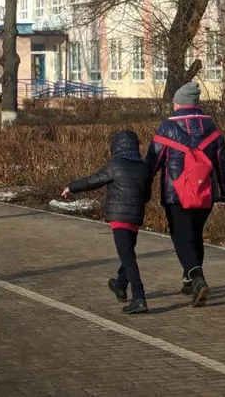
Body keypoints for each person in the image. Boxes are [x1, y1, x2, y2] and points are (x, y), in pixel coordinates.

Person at [142, 81, 225, 308]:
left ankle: (197, 279)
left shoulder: (166, 128)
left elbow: (152, 163)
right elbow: (222, 164)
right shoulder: (212, 129)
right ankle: (187, 281)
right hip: (205, 194)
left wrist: (142, 188)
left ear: (180, 104)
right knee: (195, 234)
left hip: (176, 194)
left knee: (181, 237)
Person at [61, 129, 149, 314]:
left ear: (115, 146)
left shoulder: (115, 165)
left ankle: (139, 297)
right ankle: (120, 285)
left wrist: (72, 187)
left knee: (128, 257)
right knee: (128, 253)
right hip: (135, 217)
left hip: (119, 218)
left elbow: (94, 180)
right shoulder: (143, 166)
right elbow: (146, 195)